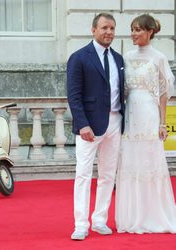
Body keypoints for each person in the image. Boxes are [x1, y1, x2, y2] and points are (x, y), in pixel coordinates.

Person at [115, 14, 176, 233]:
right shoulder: (126, 57)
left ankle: (155, 215)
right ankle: (134, 216)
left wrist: (162, 123)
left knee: (150, 164)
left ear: (150, 31)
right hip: (130, 116)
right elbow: (120, 91)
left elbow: (163, 95)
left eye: (138, 29)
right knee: (132, 164)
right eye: (132, 29)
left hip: (149, 115)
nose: (133, 34)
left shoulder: (159, 57)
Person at [67, 13, 125, 240]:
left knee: (108, 175)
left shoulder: (118, 59)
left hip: (115, 121)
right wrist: (82, 124)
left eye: (112, 28)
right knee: (83, 174)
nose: (108, 32)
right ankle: (80, 224)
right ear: (93, 30)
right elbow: (73, 95)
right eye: (104, 28)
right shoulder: (79, 57)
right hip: (89, 126)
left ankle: (100, 219)